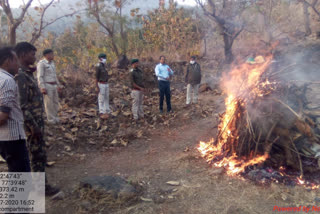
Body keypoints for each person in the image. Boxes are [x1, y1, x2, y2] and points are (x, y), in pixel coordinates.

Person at [14, 42, 59, 196]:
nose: (34, 57)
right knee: (36, 155)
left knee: (39, 154)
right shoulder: (20, 76)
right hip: (31, 125)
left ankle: (39, 186)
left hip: (36, 122)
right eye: (32, 54)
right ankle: (41, 189)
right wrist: (33, 126)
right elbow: (22, 105)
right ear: (23, 54)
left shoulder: (27, 73)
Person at [0, 46, 31, 173]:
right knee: (21, 175)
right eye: (16, 60)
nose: (18, 64)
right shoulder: (7, 81)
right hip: (12, 137)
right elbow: (3, 115)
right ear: (8, 61)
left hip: (4, 137)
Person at [37, 49, 62, 124]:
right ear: (46, 55)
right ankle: (51, 119)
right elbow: (40, 76)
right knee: (49, 103)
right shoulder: (42, 63)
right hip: (47, 85)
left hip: (54, 85)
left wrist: (58, 85)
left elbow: (54, 75)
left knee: (55, 102)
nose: (53, 55)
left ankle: (56, 117)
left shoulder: (52, 63)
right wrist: (42, 87)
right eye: (51, 54)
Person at [95, 53, 110, 119]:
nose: (105, 59)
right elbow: (96, 77)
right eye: (104, 58)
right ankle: (101, 111)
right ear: (100, 59)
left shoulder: (104, 66)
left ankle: (107, 111)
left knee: (106, 97)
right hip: (101, 84)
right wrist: (97, 86)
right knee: (101, 98)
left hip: (106, 83)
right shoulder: (98, 66)